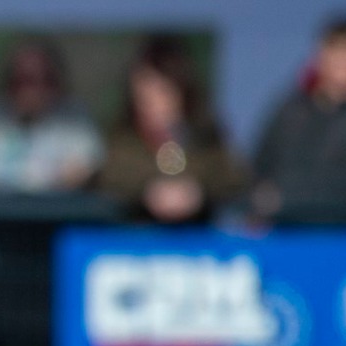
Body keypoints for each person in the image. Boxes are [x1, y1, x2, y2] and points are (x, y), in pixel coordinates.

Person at [96, 35, 246, 226]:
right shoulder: (123, 139)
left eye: (161, 93)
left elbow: (234, 178)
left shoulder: (207, 136)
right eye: (143, 97)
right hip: (136, 242)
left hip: (200, 245)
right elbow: (109, 177)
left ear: (182, 92)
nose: (151, 106)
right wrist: (149, 190)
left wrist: (197, 192)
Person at [0, 40, 103, 194]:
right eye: (22, 80)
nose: (31, 90)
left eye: (43, 79)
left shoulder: (73, 120)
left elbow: (86, 170)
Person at [252, 18, 346, 225]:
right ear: (320, 55)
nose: (342, 62)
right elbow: (259, 168)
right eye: (335, 51)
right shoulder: (290, 110)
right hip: (286, 234)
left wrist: (289, 200)